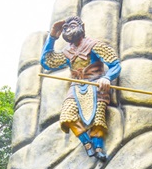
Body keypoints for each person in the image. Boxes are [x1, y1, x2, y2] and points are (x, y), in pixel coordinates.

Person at [40, 15, 121, 160]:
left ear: (81, 27)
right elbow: (47, 61)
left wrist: (107, 77)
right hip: (76, 87)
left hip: (97, 85)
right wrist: (52, 36)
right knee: (67, 116)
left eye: (71, 25)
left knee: (99, 118)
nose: (68, 29)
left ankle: (98, 146)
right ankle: (87, 143)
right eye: (65, 28)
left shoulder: (95, 45)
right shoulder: (67, 52)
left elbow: (115, 64)